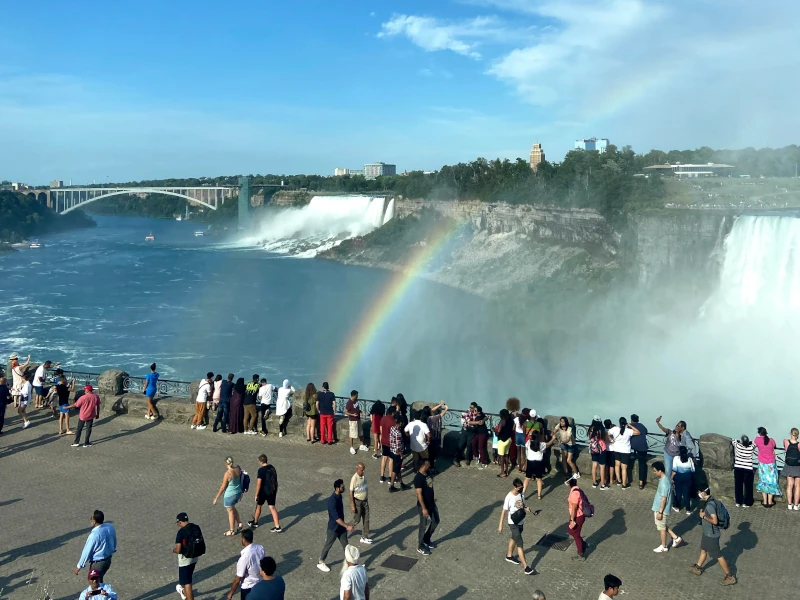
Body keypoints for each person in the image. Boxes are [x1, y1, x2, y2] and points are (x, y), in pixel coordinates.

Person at [689, 487, 736, 585]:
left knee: (718, 555)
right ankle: (698, 567)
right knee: (703, 550)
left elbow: (715, 521)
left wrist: (703, 516)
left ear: (704, 493)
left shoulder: (710, 505)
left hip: (712, 535)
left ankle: (730, 576)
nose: (698, 494)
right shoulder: (709, 501)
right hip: (707, 533)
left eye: (699, 492)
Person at [498, 477, 537, 575]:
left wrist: (526, 508)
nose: (521, 490)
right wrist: (500, 525)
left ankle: (509, 556)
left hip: (521, 522)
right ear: (514, 487)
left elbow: (522, 504)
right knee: (520, 543)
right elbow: (504, 511)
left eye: (521, 488)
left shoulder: (521, 494)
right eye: (519, 488)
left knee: (514, 538)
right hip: (513, 523)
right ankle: (526, 567)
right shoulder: (509, 497)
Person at [318, 479, 355, 573]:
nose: (344, 488)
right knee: (328, 546)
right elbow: (336, 518)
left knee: (346, 546)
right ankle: (321, 562)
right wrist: (347, 526)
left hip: (341, 528)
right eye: (342, 487)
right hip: (333, 528)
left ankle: (351, 563)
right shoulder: (332, 501)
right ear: (337, 488)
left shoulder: (339, 496)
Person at [75, 510, 117, 582]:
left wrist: (79, 565)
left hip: (98, 563)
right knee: (99, 581)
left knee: (95, 584)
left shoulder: (94, 535)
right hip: (108, 559)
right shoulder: (110, 527)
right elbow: (114, 539)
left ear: (94, 521)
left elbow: (87, 551)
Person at [651, 461, 683, 552]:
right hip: (659, 508)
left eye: (655, 471)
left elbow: (664, 499)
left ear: (660, 471)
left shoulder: (664, 483)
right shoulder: (665, 479)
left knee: (661, 528)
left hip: (661, 509)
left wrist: (660, 512)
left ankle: (664, 546)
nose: (654, 473)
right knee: (662, 525)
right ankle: (676, 538)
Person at [227, 528, 265, 600]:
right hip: (260, 583)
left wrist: (231, 593)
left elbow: (237, 579)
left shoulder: (244, 557)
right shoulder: (260, 548)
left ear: (244, 540)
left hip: (248, 588)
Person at [249, 454, 281, 532]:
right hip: (272, 491)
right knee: (272, 507)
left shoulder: (261, 470)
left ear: (260, 462)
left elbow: (259, 483)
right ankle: (277, 526)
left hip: (264, 491)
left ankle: (255, 522)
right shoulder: (272, 467)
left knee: (259, 505)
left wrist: (256, 494)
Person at [174, 512, 202, 600]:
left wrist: (174, 550)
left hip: (185, 559)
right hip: (195, 556)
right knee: (188, 577)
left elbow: (178, 549)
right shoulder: (196, 527)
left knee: (187, 583)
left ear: (179, 522)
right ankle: (183, 592)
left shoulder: (181, 532)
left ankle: (186, 594)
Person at [213, 456, 244, 535]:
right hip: (238, 492)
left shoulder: (227, 473)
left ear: (226, 463)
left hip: (230, 495)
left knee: (230, 512)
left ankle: (231, 530)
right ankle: (239, 523)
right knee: (233, 507)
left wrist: (216, 498)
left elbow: (223, 487)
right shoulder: (238, 468)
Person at [414, 460, 439, 555]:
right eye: (427, 464)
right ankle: (420, 545)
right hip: (424, 506)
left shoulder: (427, 473)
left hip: (432, 503)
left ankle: (426, 539)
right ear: (422, 466)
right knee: (423, 526)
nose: (429, 465)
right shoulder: (418, 478)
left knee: (436, 520)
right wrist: (424, 508)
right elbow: (419, 494)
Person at [608, 417, 640, 489]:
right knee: (624, 468)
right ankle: (624, 484)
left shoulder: (615, 429)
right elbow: (638, 432)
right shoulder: (628, 431)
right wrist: (630, 425)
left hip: (616, 449)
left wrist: (611, 440)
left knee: (617, 465)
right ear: (625, 423)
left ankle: (619, 480)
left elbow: (607, 433)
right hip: (625, 451)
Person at [523, 431, 555, 499]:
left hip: (530, 462)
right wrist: (553, 438)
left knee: (527, 478)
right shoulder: (542, 444)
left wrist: (529, 436)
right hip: (538, 463)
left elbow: (526, 446)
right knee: (539, 479)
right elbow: (549, 444)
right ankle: (539, 495)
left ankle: (523, 493)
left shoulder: (529, 442)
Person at [754, 426, 780, 507]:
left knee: (763, 482)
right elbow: (774, 446)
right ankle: (770, 501)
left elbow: (753, 445)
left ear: (759, 433)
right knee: (772, 482)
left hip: (762, 464)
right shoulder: (771, 440)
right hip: (771, 465)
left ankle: (765, 501)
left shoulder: (757, 440)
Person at [349, 462, 372, 544]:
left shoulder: (363, 476)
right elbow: (351, 492)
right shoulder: (354, 479)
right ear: (357, 469)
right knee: (357, 520)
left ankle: (364, 537)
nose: (363, 472)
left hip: (365, 501)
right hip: (358, 502)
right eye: (362, 470)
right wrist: (352, 505)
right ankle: (344, 529)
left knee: (366, 519)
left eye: (364, 470)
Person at [387, 411, 409, 492]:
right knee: (395, 470)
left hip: (392, 451)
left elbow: (390, 439)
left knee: (398, 469)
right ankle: (392, 486)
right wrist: (401, 455)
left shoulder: (392, 428)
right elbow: (398, 446)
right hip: (397, 454)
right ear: (401, 423)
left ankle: (401, 483)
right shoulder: (398, 433)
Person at [566, 476, 587, 560]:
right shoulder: (577, 490)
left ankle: (581, 554)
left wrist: (572, 519)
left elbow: (574, 507)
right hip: (577, 515)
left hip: (577, 516)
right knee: (572, 531)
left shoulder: (574, 493)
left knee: (575, 533)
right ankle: (582, 545)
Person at [423, 402, 447, 473]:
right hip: (433, 439)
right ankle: (431, 469)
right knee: (432, 455)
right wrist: (446, 408)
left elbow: (431, 410)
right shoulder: (433, 419)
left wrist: (440, 405)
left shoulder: (423, 417)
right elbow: (441, 415)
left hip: (425, 439)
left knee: (427, 455)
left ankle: (426, 467)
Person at [732, 435, 755, 507]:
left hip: (738, 467)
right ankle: (747, 503)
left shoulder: (738, 446)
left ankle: (738, 502)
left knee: (738, 485)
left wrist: (739, 441)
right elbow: (755, 443)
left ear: (741, 441)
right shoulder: (751, 447)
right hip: (748, 468)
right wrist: (749, 442)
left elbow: (733, 440)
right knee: (748, 486)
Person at [671, 446, 695, 514]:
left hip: (678, 478)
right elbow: (693, 470)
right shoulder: (689, 459)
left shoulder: (676, 458)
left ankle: (677, 507)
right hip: (687, 478)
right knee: (686, 494)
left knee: (678, 493)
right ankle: (688, 509)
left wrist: (671, 478)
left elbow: (674, 470)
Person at [454, 402, 478, 467]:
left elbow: (486, 417)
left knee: (469, 445)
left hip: (472, 432)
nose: (470, 408)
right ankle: (456, 459)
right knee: (461, 444)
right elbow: (462, 421)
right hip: (465, 430)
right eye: (470, 407)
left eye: (472, 408)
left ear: (475, 408)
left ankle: (468, 459)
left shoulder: (477, 413)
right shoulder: (466, 412)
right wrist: (470, 424)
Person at [494, 409, 515, 478]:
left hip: (502, 441)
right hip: (509, 439)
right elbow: (513, 429)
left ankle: (502, 472)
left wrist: (494, 430)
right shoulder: (511, 420)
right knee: (506, 455)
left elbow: (499, 431)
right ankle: (506, 470)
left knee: (501, 456)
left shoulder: (502, 421)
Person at [629, 414, 649, 489]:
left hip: (632, 446)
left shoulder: (630, 426)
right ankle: (641, 483)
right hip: (642, 447)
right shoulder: (642, 426)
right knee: (642, 464)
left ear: (631, 420)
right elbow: (646, 432)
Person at [588, 417, 607, 489]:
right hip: (602, 449)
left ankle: (594, 483)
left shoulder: (590, 429)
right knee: (602, 467)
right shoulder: (601, 430)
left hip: (593, 449)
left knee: (594, 465)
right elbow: (604, 438)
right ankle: (602, 485)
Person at [379, 406, 397, 483]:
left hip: (383, 441)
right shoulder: (393, 422)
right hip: (390, 443)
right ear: (393, 413)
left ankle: (382, 476)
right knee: (391, 460)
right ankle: (390, 477)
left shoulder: (383, 418)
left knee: (384, 458)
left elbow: (381, 430)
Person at [783, 428, 800, 510]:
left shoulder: (786, 441)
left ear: (790, 433)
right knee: (798, 486)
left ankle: (790, 504)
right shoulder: (799, 444)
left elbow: (786, 449)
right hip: (797, 466)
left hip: (789, 465)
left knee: (789, 485)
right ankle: (796, 505)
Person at [514, 408, 531, 473]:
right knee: (524, 453)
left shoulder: (517, 419)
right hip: (524, 436)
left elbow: (514, 428)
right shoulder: (527, 421)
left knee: (518, 452)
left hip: (517, 436)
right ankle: (524, 467)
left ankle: (519, 467)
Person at [603, 419, 616, 485]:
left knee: (606, 465)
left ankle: (605, 479)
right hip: (612, 449)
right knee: (612, 465)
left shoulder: (603, 431)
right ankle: (611, 480)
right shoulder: (613, 430)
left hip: (605, 449)